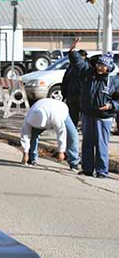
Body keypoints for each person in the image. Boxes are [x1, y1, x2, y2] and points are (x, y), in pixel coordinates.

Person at [68, 37, 119, 177]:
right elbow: (78, 63)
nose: (99, 67)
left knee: (101, 145)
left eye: (103, 65)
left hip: (104, 118)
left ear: (108, 67)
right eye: (99, 64)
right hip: (87, 115)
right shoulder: (88, 74)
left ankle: (102, 171)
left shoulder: (114, 81)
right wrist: (73, 51)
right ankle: (87, 169)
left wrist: (111, 105)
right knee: (87, 144)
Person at [20, 98, 80, 171]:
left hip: (61, 111)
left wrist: (61, 151)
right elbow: (25, 135)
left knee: (73, 135)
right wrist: (25, 153)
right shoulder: (29, 118)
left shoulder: (56, 117)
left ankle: (74, 163)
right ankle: (31, 158)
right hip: (43, 106)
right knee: (33, 134)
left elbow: (61, 133)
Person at [61, 48, 86, 126]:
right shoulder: (71, 67)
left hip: (82, 95)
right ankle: (73, 128)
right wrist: (64, 94)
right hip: (71, 94)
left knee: (83, 114)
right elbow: (65, 81)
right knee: (72, 114)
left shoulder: (86, 67)